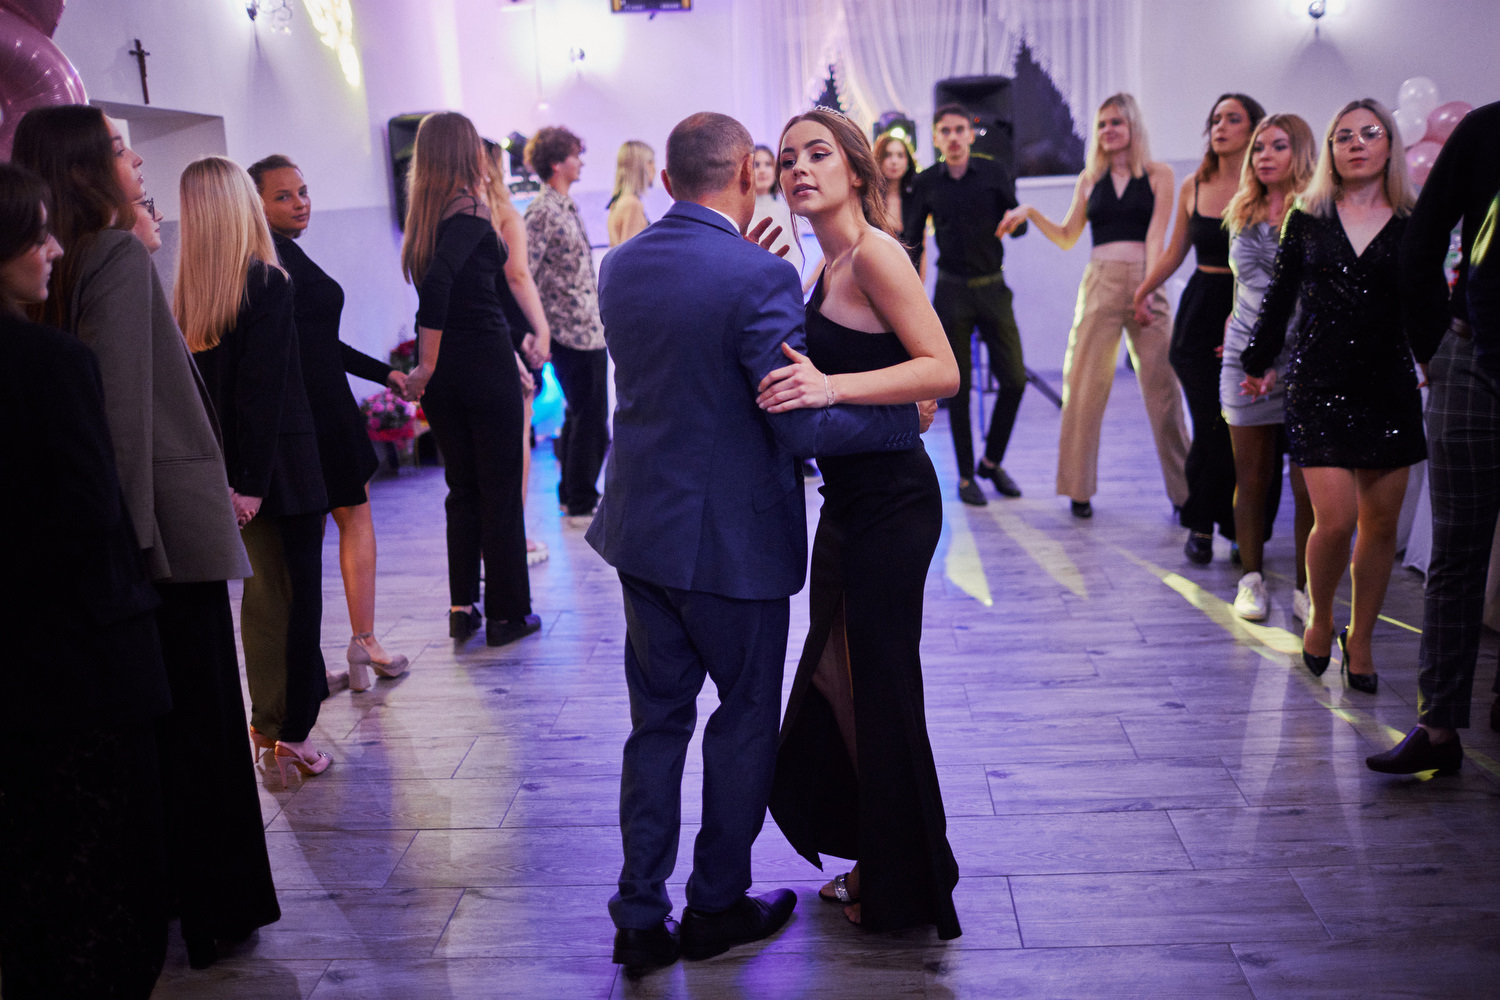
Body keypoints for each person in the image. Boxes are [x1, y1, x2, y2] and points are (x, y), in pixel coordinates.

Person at [586, 110, 926, 973]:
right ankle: (715, 906)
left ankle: (638, 918)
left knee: (656, 726)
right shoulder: (761, 275)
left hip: (640, 535)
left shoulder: (621, 265)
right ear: (750, 171)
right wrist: (902, 423)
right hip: (732, 547)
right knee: (740, 722)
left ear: (668, 182)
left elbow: (686, 369)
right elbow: (799, 425)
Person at [13, 107, 278, 970]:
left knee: (169, 736)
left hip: (132, 539)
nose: (136, 163)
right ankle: (218, 906)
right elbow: (121, 415)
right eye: (121, 150)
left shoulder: (71, 260)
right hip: (160, 537)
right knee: (203, 724)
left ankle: (175, 898)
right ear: (85, 168)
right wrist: (124, 552)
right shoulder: (116, 254)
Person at [759, 107, 963, 939]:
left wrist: (834, 388)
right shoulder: (820, 264)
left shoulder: (877, 253)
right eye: (787, 159)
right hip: (846, 502)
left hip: (893, 504)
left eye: (817, 154)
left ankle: (906, 883)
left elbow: (941, 370)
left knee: (881, 688)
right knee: (840, 683)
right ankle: (900, 856)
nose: (799, 169)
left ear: (854, 169)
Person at [1, 160, 172, 1000]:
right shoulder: (52, 361)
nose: (55, 250)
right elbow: (89, 511)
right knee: (104, 876)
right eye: (37, 235)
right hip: (75, 657)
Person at [1241, 99, 1424, 695]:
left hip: (1389, 387)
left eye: (1370, 133)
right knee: (1337, 520)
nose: (1356, 144)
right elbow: (1280, 296)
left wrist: (1435, 358)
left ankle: (1361, 638)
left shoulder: (1412, 221)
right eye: (1343, 136)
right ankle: (1321, 616)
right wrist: (1257, 361)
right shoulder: (1307, 218)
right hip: (1318, 383)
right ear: (1330, 151)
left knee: (1380, 524)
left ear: (1390, 145)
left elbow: (1428, 300)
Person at [178, 156, 335, 782]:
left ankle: (267, 723)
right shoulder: (267, 281)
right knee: (296, 601)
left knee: (265, 601)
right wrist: (252, 483)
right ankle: (292, 735)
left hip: (236, 467)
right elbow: (263, 391)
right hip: (280, 468)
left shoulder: (192, 291)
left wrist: (234, 477)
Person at [1368, 99, 1500, 773]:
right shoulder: (1486, 130)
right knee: (1456, 550)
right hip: (1472, 359)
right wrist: (1433, 348)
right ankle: (1438, 726)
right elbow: (1422, 241)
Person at [249, 153, 412, 692]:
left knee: (325, 529)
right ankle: (353, 645)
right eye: (284, 195)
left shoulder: (281, 253)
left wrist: (385, 373)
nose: (301, 203)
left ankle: (327, 656)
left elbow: (322, 345)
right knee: (342, 523)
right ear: (256, 204)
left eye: (303, 191)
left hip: (321, 407)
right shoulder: (268, 262)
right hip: (310, 413)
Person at [1001, 93, 1190, 519]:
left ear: (1133, 126)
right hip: (1100, 283)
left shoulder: (1159, 174)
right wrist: (1031, 212)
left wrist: (1147, 290)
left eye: (1116, 122)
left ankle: (1185, 495)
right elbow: (1068, 237)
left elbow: (1157, 237)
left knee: (1164, 393)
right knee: (1083, 389)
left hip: (1147, 280)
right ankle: (1078, 489)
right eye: (1102, 124)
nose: (1108, 131)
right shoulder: (1089, 179)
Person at [403, 112, 540, 646]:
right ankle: (508, 615)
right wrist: (424, 363)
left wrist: (433, 364)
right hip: (480, 367)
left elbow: (473, 291)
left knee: (462, 489)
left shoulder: (427, 218)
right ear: (467, 152)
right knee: (500, 489)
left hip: (452, 375)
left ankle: (463, 608)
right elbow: (442, 287)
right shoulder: (472, 210)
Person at [1133, 94, 1266, 563]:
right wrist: (1144, 289)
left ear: (1254, 129)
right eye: (1215, 119)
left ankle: (1234, 526)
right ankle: (1207, 523)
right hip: (1200, 311)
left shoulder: (1265, 184)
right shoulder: (1194, 184)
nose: (1220, 127)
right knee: (1210, 424)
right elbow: (1175, 251)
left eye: (1233, 119)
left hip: (1250, 309)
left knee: (1242, 429)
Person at [1219, 113, 1317, 621]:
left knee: (1308, 485)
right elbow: (1242, 287)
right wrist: (1239, 340)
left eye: (1278, 146)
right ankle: (1250, 580)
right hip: (1244, 358)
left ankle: (1307, 588)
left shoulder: (1318, 212)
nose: (1263, 156)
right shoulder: (1241, 210)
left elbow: (1311, 295)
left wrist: (1283, 359)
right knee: (1251, 478)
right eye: (1259, 147)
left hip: (1303, 358)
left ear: (1300, 152)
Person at [909, 104, 1029, 506]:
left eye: (960, 129)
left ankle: (991, 463)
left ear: (971, 133)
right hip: (951, 291)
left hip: (993, 286)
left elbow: (1019, 224)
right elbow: (912, 240)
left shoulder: (994, 171)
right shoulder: (926, 181)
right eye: (945, 131)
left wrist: (1018, 222)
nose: (954, 137)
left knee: (1014, 380)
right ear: (936, 138)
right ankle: (964, 477)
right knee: (955, 388)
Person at [524, 125, 608, 525]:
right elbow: (523, 271)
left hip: (587, 327)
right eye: (575, 155)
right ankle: (580, 501)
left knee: (583, 414)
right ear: (557, 163)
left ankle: (572, 494)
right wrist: (537, 328)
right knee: (590, 417)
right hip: (567, 330)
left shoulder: (564, 205)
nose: (581, 162)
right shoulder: (542, 211)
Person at [483, 142, 553, 566]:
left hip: (475, 333)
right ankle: (514, 536)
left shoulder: (438, 218)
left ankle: (489, 541)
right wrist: (541, 330)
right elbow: (519, 276)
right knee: (516, 441)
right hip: (509, 328)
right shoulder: (503, 215)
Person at [874, 127, 923, 270]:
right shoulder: (868, 200)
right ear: (878, 159)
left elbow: (922, 247)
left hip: (909, 273)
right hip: (875, 272)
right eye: (888, 155)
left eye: (900, 155)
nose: (894, 161)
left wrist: (920, 281)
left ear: (907, 162)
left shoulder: (915, 200)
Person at [750, 142, 803, 267]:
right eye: (756, 165)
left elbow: (796, 252)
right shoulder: (742, 210)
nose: (763, 170)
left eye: (768, 164)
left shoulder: (787, 206)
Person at [607, 140, 654, 246]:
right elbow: (630, 252)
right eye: (651, 162)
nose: (654, 167)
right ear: (642, 167)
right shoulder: (632, 204)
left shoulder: (618, 202)